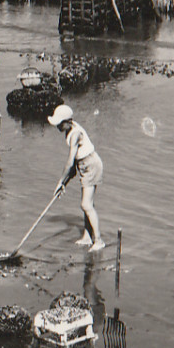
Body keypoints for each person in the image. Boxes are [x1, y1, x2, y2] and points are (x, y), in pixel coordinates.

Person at [49, 104, 104, 253]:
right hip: (84, 164)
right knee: (87, 204)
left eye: (59, 123)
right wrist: (64, 183)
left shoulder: (75, 135)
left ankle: (99, 241)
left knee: (86, 205)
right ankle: (87, 237)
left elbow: (69, 163)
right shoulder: (70, 129)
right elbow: (75, 165)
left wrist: (60, 181)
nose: (57, 127)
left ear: (67, 121)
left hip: (91, 165)